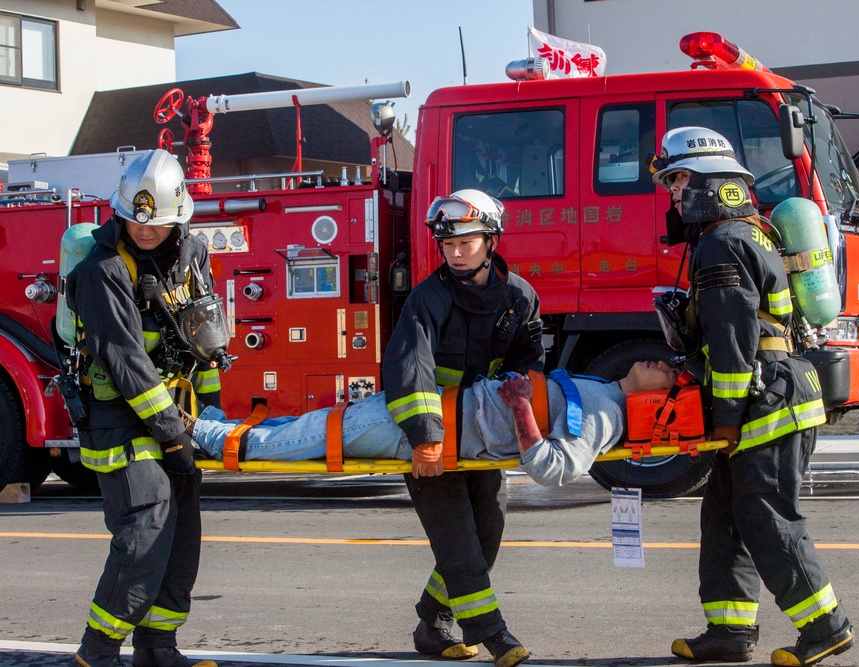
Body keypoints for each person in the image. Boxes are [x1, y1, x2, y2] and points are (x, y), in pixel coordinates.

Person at [651, 127, 854, 666]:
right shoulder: (751, 231)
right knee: (723, 516)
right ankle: (728, 631)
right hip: (777, 390)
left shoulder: (722, 243)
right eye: (670, 181)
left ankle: (826, 627)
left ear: (713, 183)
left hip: (766, 402)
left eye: (680, 179)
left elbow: (733, 338)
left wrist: (727, 419)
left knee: (765, 514)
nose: (673, 192)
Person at [66, 150, 224, 667]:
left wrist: (214, 417)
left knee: (183, 534)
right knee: (147, 527)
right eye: (136, 219)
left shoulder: (193, 252)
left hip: (177, 414)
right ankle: (98, 651)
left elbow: (206, 334)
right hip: (121, 421)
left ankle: (158, 647)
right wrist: (173, 436)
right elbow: (125, 362)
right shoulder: (101, 270)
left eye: (155, 221)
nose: (145, 230)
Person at [382, 189, 544, 667]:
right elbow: (408, 371)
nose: (454, 253)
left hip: (481, 436)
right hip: (430, 440)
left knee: (486, 532)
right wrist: (426, 439)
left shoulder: (520, 297)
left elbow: (529, 368)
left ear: (491, 240)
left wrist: (524, 422)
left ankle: (432, 622)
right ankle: (494, 635)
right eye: (446, 244)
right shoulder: (427, 299)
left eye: (466, 243)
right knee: (456, 538)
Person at [190, 361, 679, 483]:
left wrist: (521, 406)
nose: (662, 365)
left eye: (670, 373)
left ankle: (201, 433)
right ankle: (217, 425)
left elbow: (553, 469)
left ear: (659, 402)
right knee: (314, 426)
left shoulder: (605, 416)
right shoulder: (603, 390)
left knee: (313, 436)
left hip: (430, 429)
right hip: (429, 411)